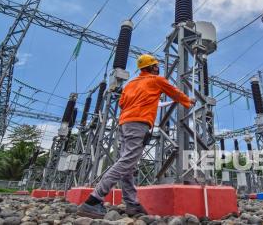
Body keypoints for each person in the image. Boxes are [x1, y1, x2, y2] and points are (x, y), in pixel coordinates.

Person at [77, 54, 195, 218]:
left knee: (128, 165)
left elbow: (122, 103)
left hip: (124, 123)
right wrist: (189, 101)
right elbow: (175, 93)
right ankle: (93, 200)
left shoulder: (130, 84)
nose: (157, 67)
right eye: (156, 65)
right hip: (139, 124)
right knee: (126, 161)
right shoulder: (156, 80)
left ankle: (132, 204)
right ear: (152, 67)